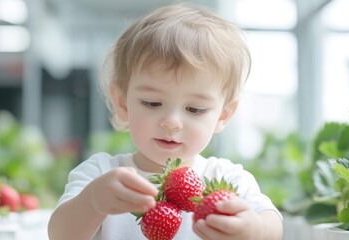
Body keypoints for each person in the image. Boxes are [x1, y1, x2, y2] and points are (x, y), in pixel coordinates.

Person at [48, 3, 283, 240]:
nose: (171, 122)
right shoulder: (101, 175)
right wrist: (93, 201)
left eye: (195, 109)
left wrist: (256, 230)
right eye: (152, 103)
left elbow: (273, 226)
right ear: (122, 103)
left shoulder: (228, 180)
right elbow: (60, 235)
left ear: (223, 115)